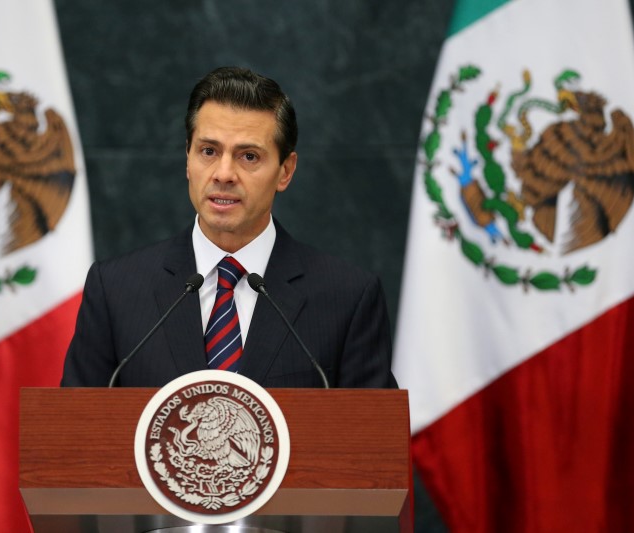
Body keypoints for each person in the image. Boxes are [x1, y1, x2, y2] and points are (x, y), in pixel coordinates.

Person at [61, 66, 397, 389]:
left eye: (248, 156)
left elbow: (371, 439)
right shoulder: (116, 290)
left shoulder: (348, 298)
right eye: (208, 151)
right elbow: (73, 431)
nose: (223, 174)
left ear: (285, 171)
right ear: (188, 160)